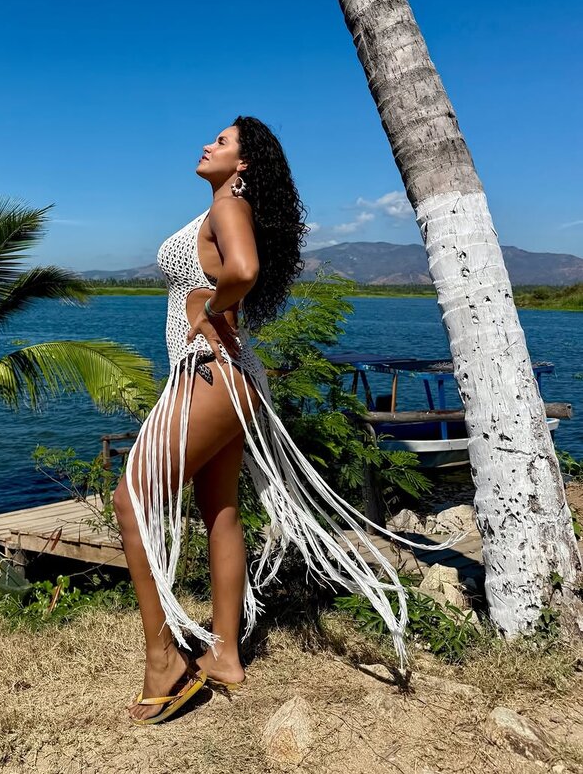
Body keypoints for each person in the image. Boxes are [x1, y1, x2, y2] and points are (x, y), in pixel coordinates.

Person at [113, 116, 457, 726]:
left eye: (221, 142)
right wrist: (212, 307)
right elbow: (233, 273)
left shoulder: (228, 206)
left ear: (243, 164)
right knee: (218, 510)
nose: (207, 145)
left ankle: (163, 659)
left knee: (131, 500)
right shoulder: (224, 209)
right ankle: (225, 656)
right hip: (228, 375)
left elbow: (242, 271)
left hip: (212, 374)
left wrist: (207, 312)